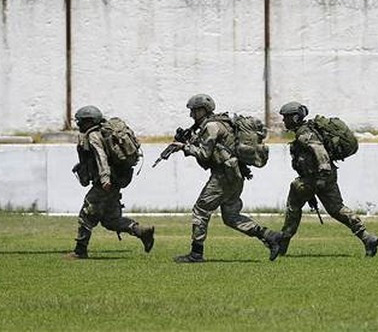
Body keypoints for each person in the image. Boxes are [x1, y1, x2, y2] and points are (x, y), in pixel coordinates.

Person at [168, 94, 283, 263]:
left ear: (203, 110)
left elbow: (204, 154)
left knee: (201, 210)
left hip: (223, 176)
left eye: (194, 111)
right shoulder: (220, 123)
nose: (192, 115)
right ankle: (270, 236)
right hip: (235, 175)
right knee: (231, 217)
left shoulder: (212, 126)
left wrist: (185, 147)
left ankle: (196, 253)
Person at [277, 102, 378, 257]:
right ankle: (367, 237)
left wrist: (322, 175)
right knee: (337, 209)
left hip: (318, 178)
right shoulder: (306, 131)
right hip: (324, 177)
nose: (284, 121)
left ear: (296, 117)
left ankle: (282, 243)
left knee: (294, 202)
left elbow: (320, 151)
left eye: (286, 117)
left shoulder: (304, 134)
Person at [66, 105, 155, 259]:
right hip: (115, 181)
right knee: (110, 220)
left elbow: (101, 157)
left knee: (86, 214)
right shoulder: (101, 133)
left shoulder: (93, 135)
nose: (78, 125)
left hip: (105, 183)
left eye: (80, 122)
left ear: (89, 121)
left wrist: (105, 178)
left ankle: (80, 251)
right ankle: (141, 232)